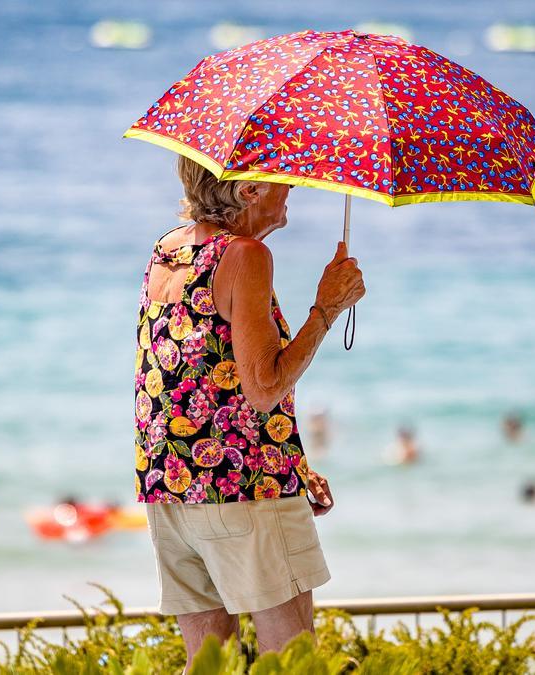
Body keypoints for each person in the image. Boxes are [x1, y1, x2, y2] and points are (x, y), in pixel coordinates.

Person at [133, 156, 363, 664]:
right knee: (293, 662)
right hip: (244, 490)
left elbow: (198, 382)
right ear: (251, 189)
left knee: (210, 664)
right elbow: (263, 389)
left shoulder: (168, 251)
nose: (293, 188)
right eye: (284, 178)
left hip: (171, 489)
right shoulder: (246, 255)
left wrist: (294, 465)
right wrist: (326, 307)